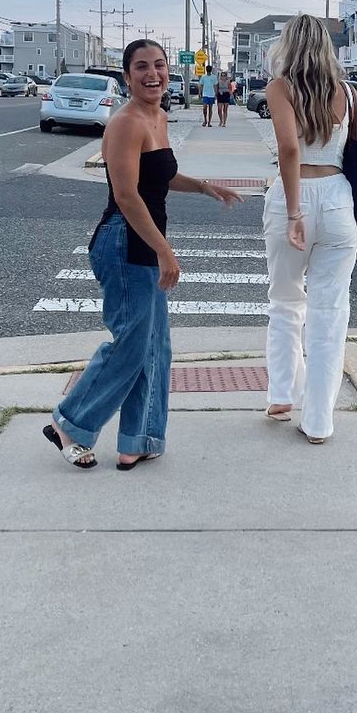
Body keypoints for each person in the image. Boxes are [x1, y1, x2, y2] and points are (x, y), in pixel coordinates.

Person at [46, 39, 241, 471]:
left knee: (154, 345)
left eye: (159, 65)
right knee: (132, 346)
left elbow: (159, 176)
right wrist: (165, 251)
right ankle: (69, 423)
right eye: (141, 67)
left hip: (144, 239)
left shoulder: (158, 116)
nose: (153, 74)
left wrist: (204, 187)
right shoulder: (125, 123)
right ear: (127, 75)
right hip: (123, 242)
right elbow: (127, 195)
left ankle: (140, 438)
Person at [263, 14, 357, 444]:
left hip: (292, 199)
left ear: (288, 46)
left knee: (285, 300)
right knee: (330, 313)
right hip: (337, 199)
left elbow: (289, 148)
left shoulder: (280, 88)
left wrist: (295, 213)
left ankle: (282, 394)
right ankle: (318, 422)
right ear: (327, 47)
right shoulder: (347, 93)